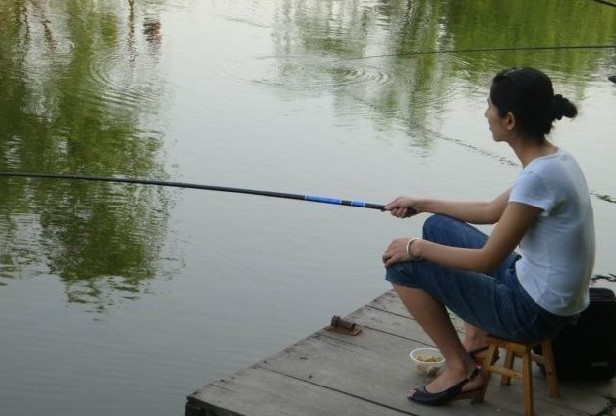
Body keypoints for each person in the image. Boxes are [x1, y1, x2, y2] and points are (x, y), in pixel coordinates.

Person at [381, 67, 595, 406]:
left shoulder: (538, 177)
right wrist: (419, 203)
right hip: (543, 293)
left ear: (508, 120)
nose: (485, 114)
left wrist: (414, 249)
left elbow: (485, 262)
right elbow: (490, 211)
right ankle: (477, 342)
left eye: (489, 106)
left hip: (533, 314)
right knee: (438, 225)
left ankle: (460, 367)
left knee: (402, 267)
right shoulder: (556, 159)